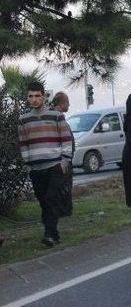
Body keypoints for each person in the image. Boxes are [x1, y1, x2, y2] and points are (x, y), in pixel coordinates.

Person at [17, 81, 73, 247]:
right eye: (31, 96)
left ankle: (49, 234)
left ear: (44, 96)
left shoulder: (56, 116)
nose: (34, 99)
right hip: (36, 168)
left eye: (37, 96)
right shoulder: (23, 120)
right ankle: (53, 234)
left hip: (55, 166)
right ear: (27, 98)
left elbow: (66, 139)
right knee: (43, 201)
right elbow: (23, 143)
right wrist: (28, 163)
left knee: (51, 198)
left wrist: (65, 161)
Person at [50, 92, 74, 218]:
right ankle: (63, 211)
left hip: (60, 158)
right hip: (61, 159)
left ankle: (62, 210)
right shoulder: (58, 118)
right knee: (63, 187)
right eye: (67, 102)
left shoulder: (54, 117)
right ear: (62, 103)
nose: (69, 104)